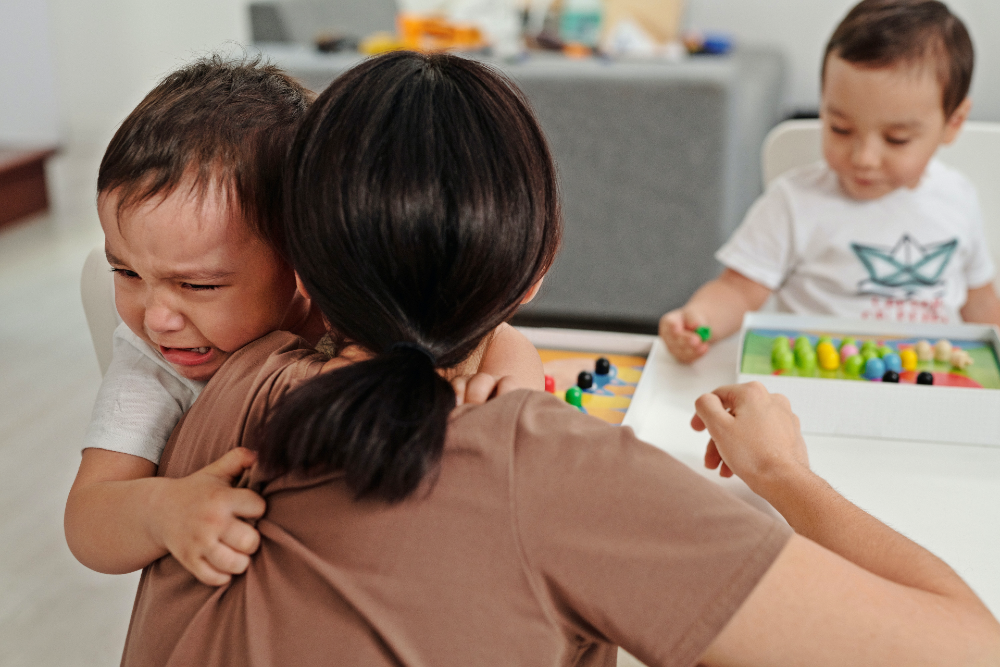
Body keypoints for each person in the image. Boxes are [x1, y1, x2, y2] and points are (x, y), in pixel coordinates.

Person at [118, 51, 999, 666]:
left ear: (302, 274)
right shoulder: (552, 471)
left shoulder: (228, 380)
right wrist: (784, 475)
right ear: (540, 265)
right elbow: (970, 648)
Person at [64, 55, 543, 588]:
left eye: (198, 286)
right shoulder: (153, 368)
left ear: (306, 259)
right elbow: (88, 517)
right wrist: (165, 511)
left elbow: (496, 343)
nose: (156, 318)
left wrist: (507, 394)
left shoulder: (352, 310)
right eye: (126, 272)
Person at [661, 0, 1000, 363]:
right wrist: (700, 321)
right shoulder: (794, 201)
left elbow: (979, 301)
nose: (864, 158)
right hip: (815, 379)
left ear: (954, 122)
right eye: (840, 129)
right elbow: (738, 290)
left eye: (896, 139)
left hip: (928, 377)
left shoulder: (957, 197)